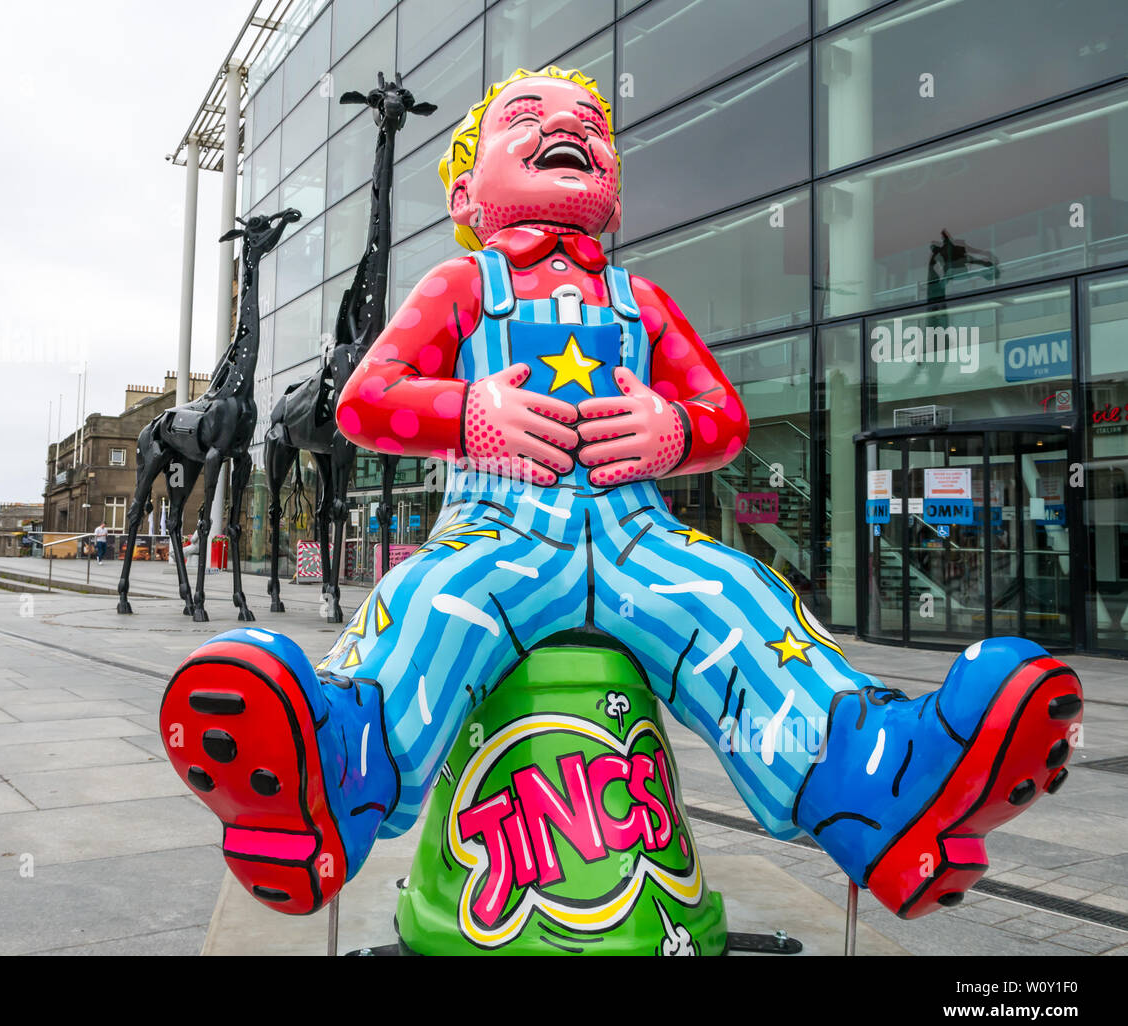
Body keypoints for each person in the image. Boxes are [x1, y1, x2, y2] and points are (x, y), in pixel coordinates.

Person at [161, 66, 1083, 922]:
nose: (568, 127)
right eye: (528, 120)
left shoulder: (642, 301)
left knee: (743, 603)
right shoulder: (459, 286)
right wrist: (470, 411)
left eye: (590, 124)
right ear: (464, 197)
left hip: (645, 539)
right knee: (429, 607)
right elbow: (367, 400)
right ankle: (336, 770)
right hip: (498, 531)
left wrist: (675, 431)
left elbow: (720, 415)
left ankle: (878, 784)